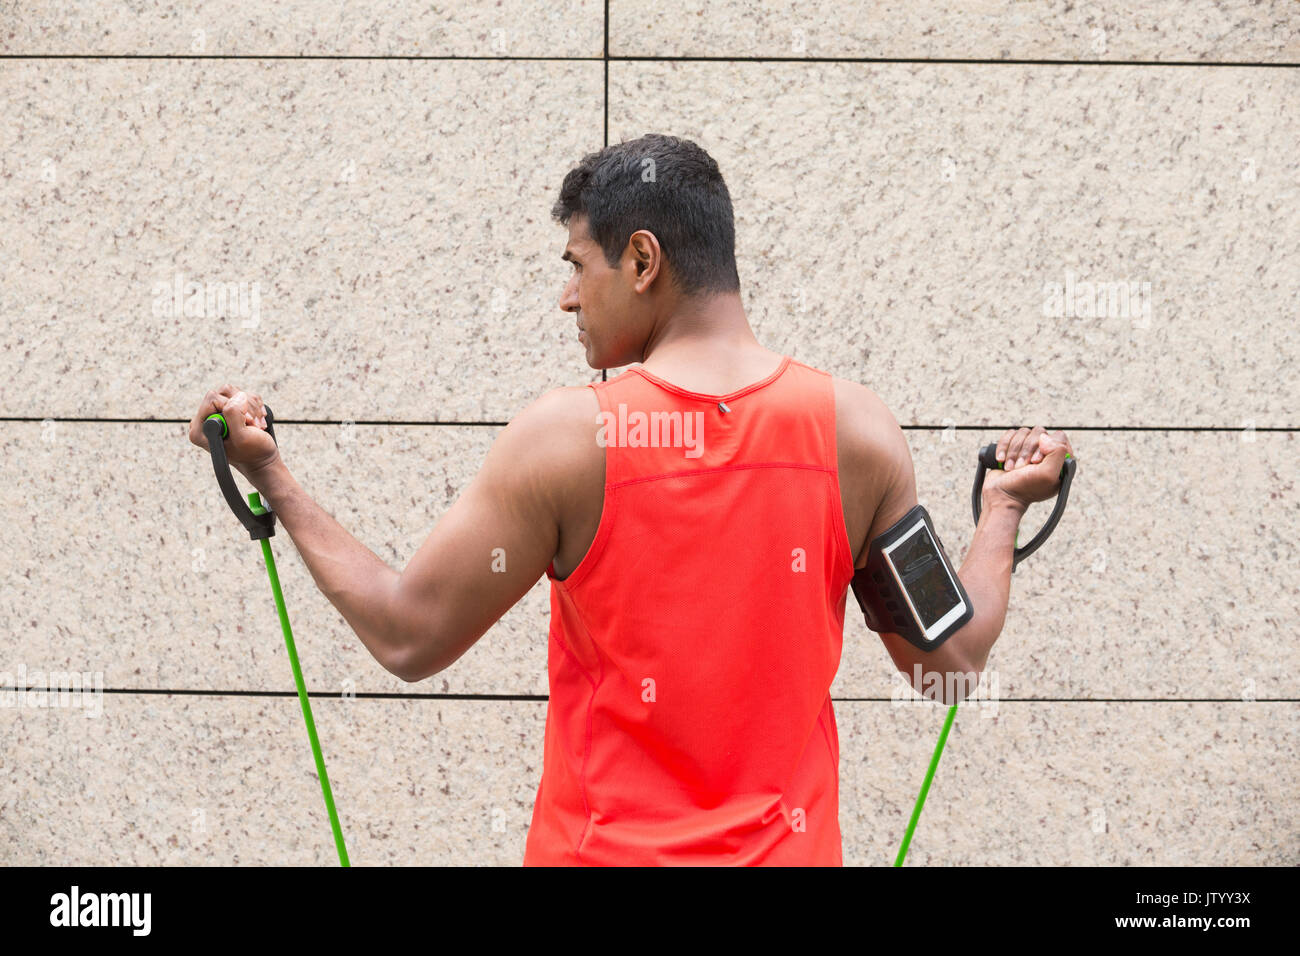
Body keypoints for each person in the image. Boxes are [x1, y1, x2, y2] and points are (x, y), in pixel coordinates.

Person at [189, 133, 1074, 865]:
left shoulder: (568, 440)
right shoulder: (859, 433)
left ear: (642, 259)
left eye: (579, 264)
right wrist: (1000, 513)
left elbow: (407, 635)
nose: (567, 295)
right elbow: (947, 668)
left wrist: (275, 479)